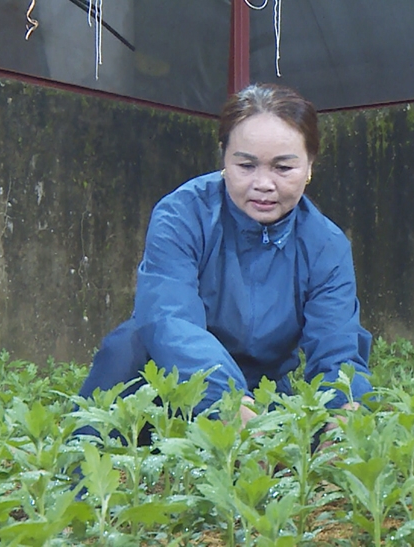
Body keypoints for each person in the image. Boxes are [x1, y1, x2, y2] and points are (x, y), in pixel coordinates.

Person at [77, 83, 372, 429]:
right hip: (174, 382)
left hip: (262, 395)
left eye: (283, 168)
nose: (263, 184)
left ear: (309, 166)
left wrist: (343, 413)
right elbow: (170, 319)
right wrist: (228, 400)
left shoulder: (326, 244)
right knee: (127, 347)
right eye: (246, 166)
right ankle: (78, 470)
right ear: (224, 158)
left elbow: (337, 348)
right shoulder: (182, 215)